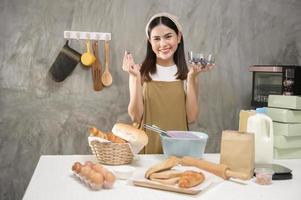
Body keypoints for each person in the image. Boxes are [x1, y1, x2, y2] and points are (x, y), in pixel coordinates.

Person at [122, 12, 214, 154]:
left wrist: (191, 78)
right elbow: (135, 116)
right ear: (149, 41)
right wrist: (135, 78)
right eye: (156, 39)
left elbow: (191, 117)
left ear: (179, 37)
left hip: (179, 149)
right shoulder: (139, 71)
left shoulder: (189, 73)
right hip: (147, 149)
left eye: (168, 36)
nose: (163, 44)